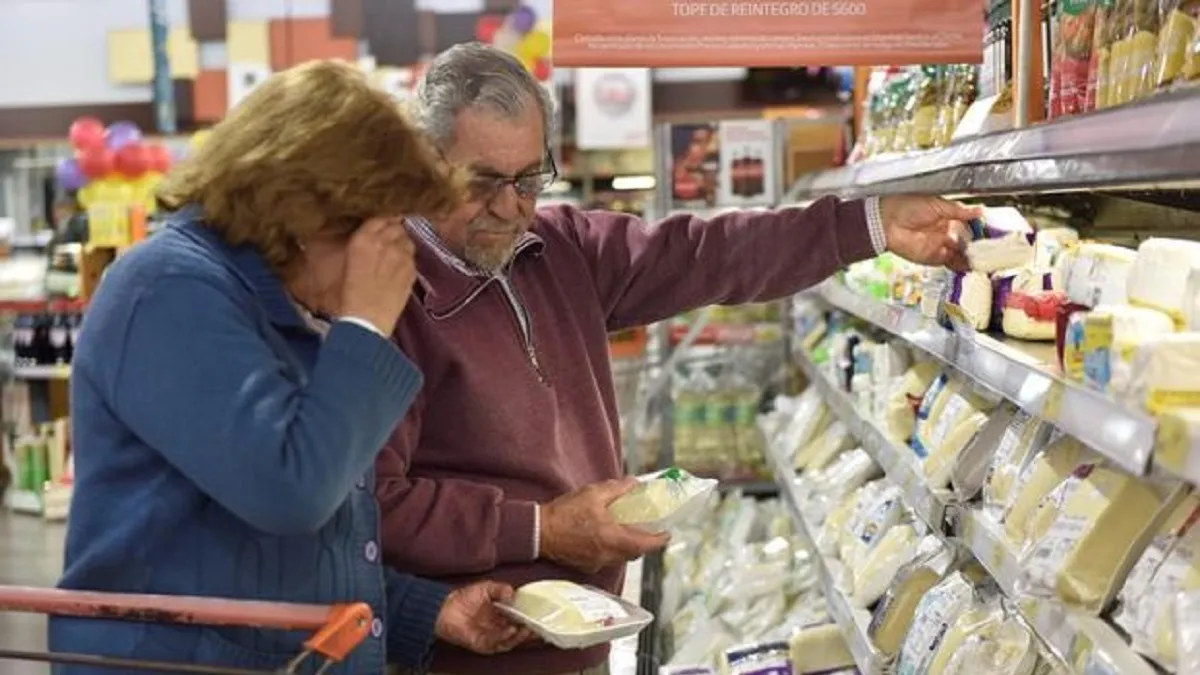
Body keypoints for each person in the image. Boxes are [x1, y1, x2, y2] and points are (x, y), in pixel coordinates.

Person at [376, 43, 978, 675]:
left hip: (581, 649)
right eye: (482, 183)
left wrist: (871, 225)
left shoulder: (557, 248)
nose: (510, 207)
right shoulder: (386, 300)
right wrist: (541, 529)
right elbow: (377, 506)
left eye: (529, 179)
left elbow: (709, 254)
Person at [49, 60, 526, 675]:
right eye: (379, 231)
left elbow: (304, 547)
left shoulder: (278, 306)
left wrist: (428, 612)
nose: (392, 256)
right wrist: (363, 327)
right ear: (308, 214)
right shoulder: (168, 289)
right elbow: (290, 490)